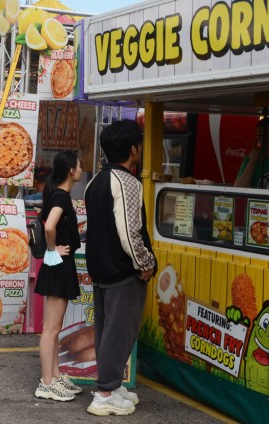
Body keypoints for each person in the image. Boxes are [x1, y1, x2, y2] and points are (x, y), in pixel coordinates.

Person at [84, 120, 156, 416]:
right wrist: (146, 263)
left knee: (106, 330)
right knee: (119, 332)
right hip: (122, 270)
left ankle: (111, 387)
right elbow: (130, 232)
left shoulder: (94, 181)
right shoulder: (127, 182)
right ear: (133, 149)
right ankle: (104, 393)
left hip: (100, 269)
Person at [34, 151, 84, 402]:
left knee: (54, 328)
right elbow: (49, 226)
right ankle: (46, 382)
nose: (81, 168)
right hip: (58, 264)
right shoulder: (61, 198)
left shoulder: (60, 195)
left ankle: (54, 375)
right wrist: (53, 250)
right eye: (79, 165)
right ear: (70, 171)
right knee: (51, 330)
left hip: (60, 264)